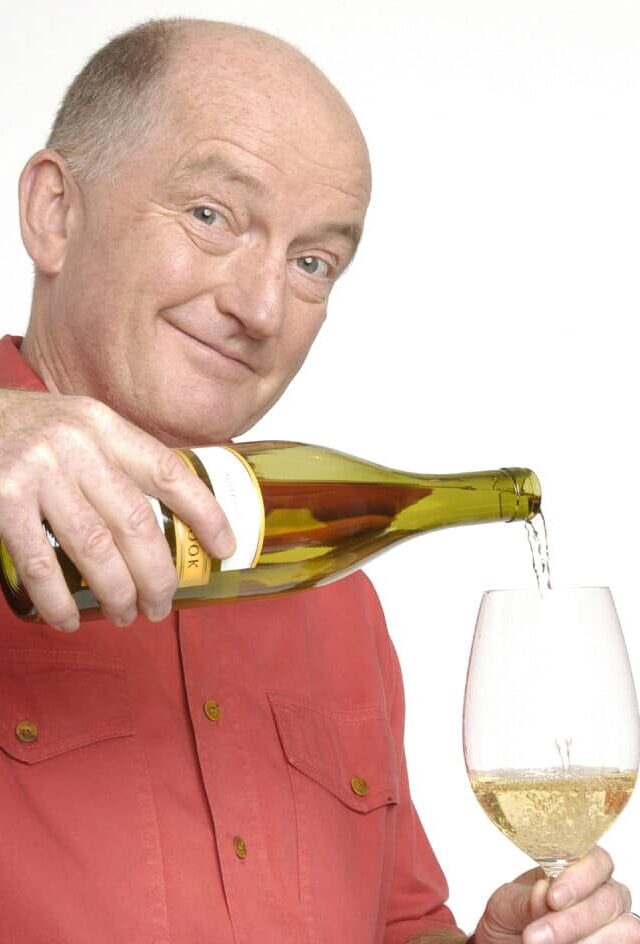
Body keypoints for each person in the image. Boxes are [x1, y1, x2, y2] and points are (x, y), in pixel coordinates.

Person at [0, 17, 636, 944]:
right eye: (212, 216)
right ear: (55, 212)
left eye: (311, 263)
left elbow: (397, 921)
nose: (260, 308)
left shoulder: (337, 598)